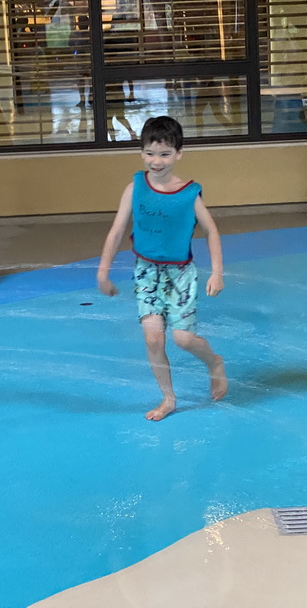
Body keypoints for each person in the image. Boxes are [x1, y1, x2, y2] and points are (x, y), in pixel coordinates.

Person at [97, 116, 227, 420]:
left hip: (180, 274)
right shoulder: (135, 188)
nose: (157, 161)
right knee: (153, 338)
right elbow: (116, 231)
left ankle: (214, 362)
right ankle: (168, 398)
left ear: (179, 154)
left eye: (165, 154)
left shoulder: (188, 193)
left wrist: (218, 272)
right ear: (142, 153)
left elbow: (212, 231)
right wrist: (103, 271)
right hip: (146, 271)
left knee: (183, 339)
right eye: (150, 153)